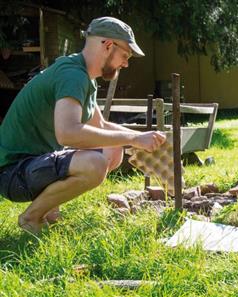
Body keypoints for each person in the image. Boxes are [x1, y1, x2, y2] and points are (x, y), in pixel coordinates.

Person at [0, 17, 166, 234]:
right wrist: (133, 139)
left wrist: (144, 136)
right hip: (13, 174)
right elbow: (68, 134)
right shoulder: (73, 75)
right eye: (125, 56)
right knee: (95, 164)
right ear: (108, 46)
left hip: (32, 165)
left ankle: (50, 210)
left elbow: (101, 125)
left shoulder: (85, 77)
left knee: (112, 150)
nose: (125, 63)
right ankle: (31, 218)